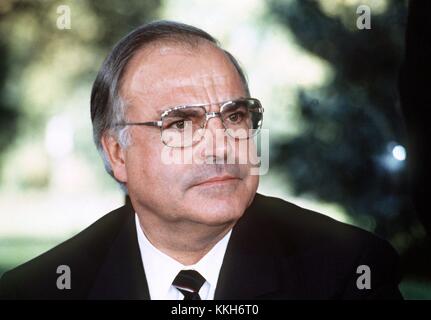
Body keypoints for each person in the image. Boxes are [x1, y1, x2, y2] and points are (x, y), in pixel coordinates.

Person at [0, 20, 402, 300]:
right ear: (117, 153)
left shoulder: (347, 272)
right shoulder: (38, 290)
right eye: (179, 123)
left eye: (235, 116)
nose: (221, 146)